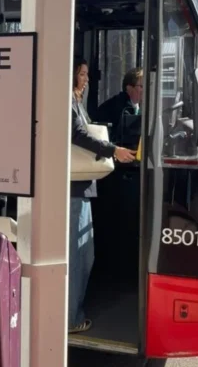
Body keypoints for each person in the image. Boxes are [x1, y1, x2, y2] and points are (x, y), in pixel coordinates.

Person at [69, 57, 136, 333]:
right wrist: (112, 150)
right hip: (75, 188)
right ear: (71, 74)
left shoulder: (75, 101)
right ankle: (71, 318)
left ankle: (72, 312)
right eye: (82, 74)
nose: (87, 79)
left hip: (82, 186)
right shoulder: (67, 101)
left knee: (85, 255)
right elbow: (77, 135)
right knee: (79, 257)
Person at [97, 67, 143, 146]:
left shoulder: (138, 105)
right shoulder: (120, 106)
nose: (145, 89)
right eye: (141, 86)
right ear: (129, 88)